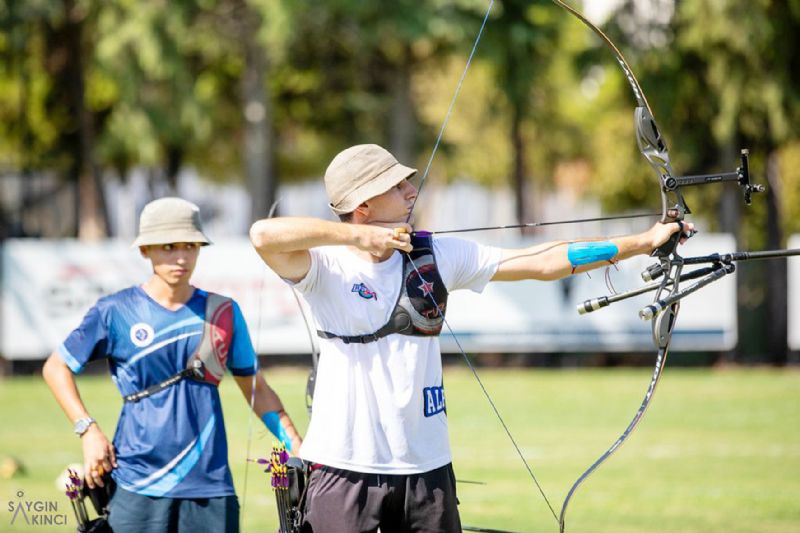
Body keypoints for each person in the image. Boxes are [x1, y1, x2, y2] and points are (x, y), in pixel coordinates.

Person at [248, 144, 693, 533]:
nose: (410, 192)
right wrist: (356, 236)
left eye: (408, 183)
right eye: (397, 186)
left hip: (426, 471)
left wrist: (643, 241)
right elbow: (262, 235)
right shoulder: (323, 268)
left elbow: (544, 262)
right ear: (362, 207)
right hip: (342, 470)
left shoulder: (437, 254)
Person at [43, 197, 302, 533]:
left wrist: (296, 445)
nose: (181, 257)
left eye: (190, 246)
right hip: (137, 482)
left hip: (210, 486)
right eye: (168, 247)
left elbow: (256, 389)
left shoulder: (223, 312)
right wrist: (87, 429)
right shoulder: (115, 311)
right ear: (145, 251)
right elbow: (55, 367)